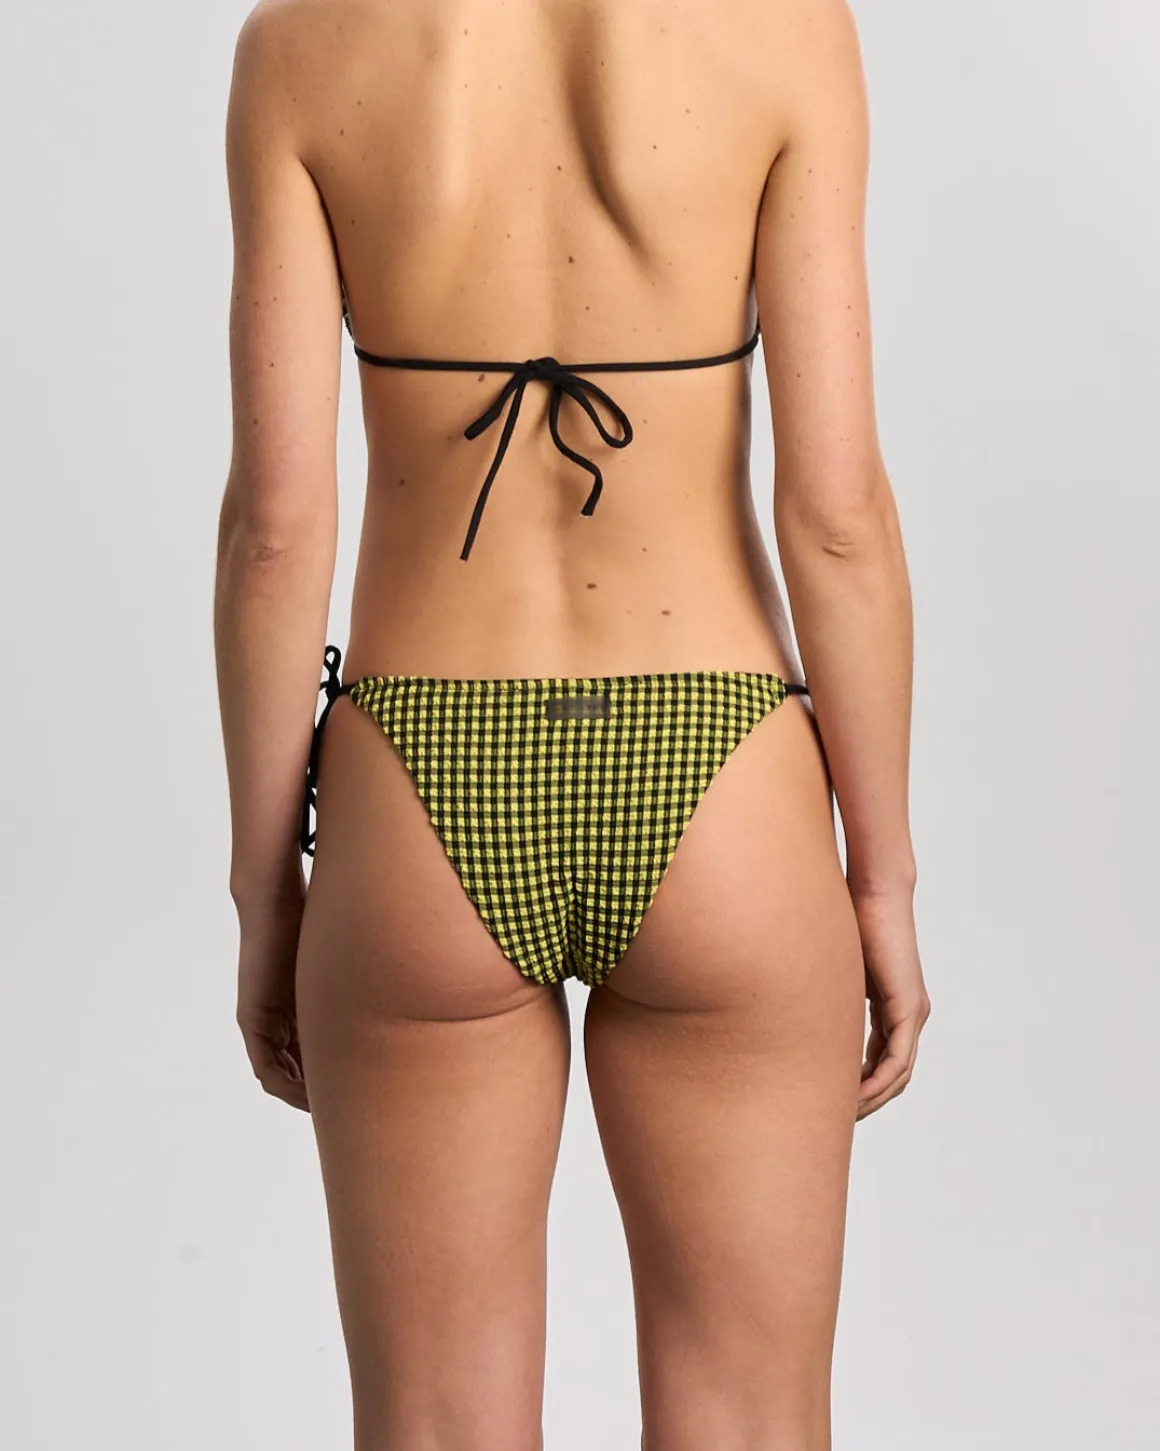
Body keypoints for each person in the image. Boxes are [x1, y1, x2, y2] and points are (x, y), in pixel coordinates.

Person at [214, 0, 930, 1444]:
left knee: (432, 1422)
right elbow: (837, 515)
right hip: (720, 774)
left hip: (419, 777)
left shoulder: (301, 46)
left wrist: (266, 888)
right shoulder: (786, 34)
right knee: (751, 1413)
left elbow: (277, 533)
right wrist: (882, 879)